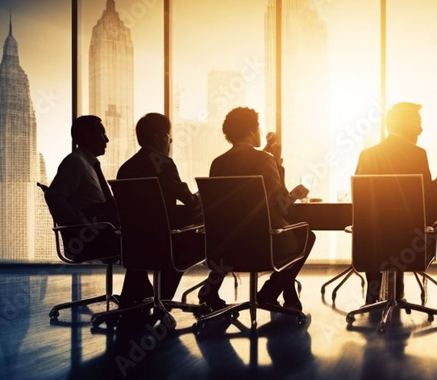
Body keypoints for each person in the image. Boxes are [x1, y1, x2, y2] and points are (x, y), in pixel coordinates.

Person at [207, 107, 315, 311]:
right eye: (258, 127)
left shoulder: (218, 163)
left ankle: (211, 290)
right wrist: (295, 194)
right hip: (262, 246)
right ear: (251, 130)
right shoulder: (264, 160)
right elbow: (280, 204)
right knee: (307, 235)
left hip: (226, 248)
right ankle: (268, 293)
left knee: (247, 230)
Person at [354, 102, 437, 305]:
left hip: (371, 242)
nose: (421, 129)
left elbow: (362, 201)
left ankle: (373, 294)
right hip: (407, 242)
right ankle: (396, 292)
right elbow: (425, 204)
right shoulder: (417, 154)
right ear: (402, 125)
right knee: (402, 227)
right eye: (416, 123)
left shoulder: (367, 155)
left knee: (378, 229)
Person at [116, 113, 206, 309]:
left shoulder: (126, 169)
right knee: (202, 241)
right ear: (159, 137)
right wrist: (200, 198)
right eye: (169, 137)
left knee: (154, 233)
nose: (170, 142)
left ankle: (136, 294)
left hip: (133, 247)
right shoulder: (164, 164)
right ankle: (163, 298)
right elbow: (189, 202)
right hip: (164, 246)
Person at [45, 115, 119, 257]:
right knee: (147, 238)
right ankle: (136, 278)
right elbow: (54, 196)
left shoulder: (89, 164)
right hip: (92, 239)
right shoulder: (75, 162)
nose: (107, 139)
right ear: (88, 136)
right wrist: (83, 223)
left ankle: (136, 278)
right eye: (102, 134)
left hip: (102, 232)